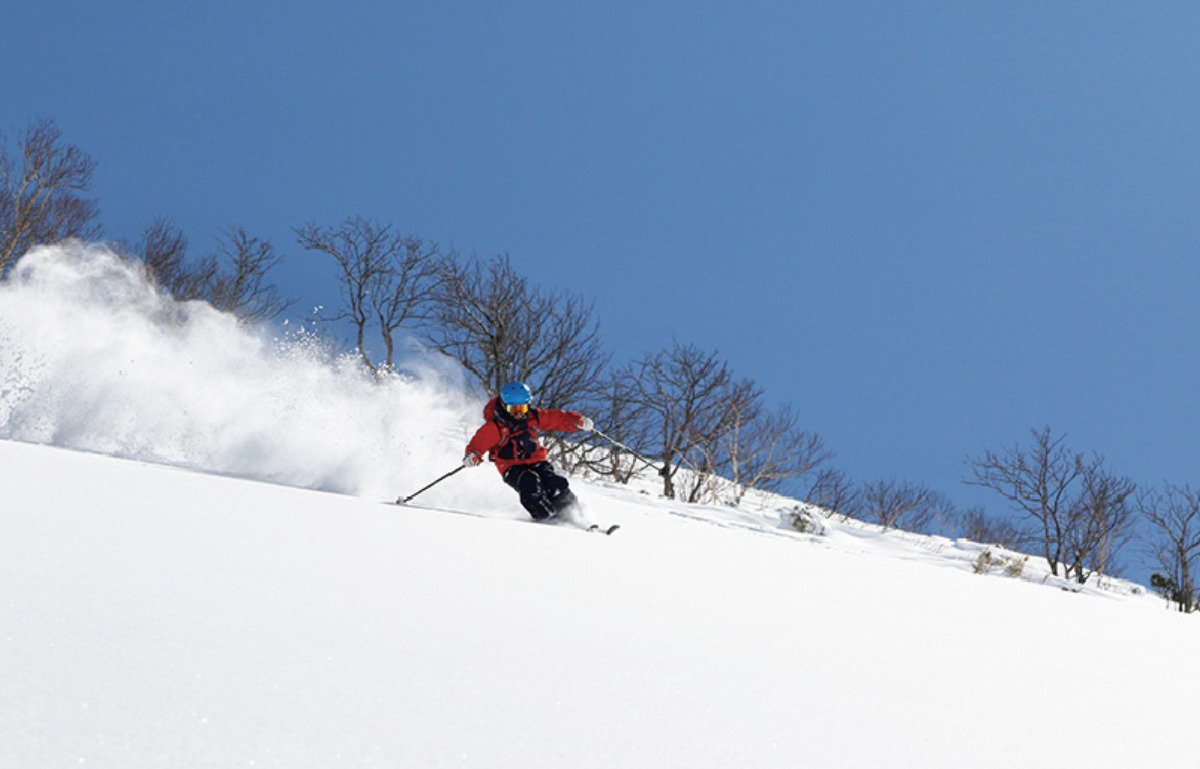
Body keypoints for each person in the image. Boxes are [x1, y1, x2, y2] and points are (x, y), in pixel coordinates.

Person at [462, 381, 594, 521]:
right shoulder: (495, 427)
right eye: (514, 410)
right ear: (504, 406)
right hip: (511, 466)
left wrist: (576, 422)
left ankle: (576, 516)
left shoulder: (533, 417)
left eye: (523, 408)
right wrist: (473, 455)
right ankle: (547, 518)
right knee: (530, 482)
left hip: (536, 459)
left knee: (555, 483)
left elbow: (556, 418)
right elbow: (479, 442)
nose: (519, 414)